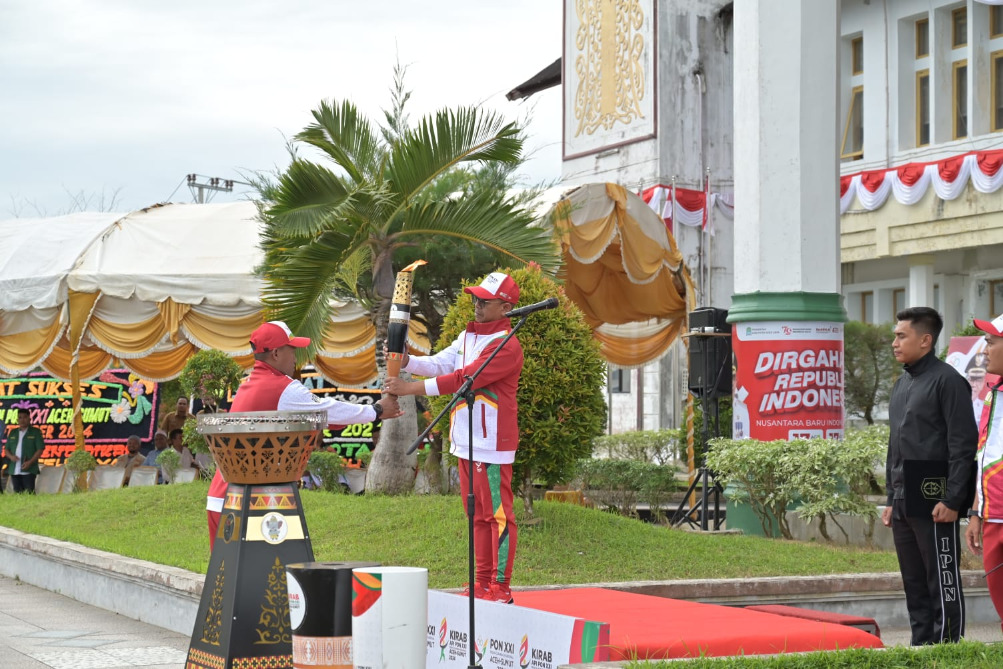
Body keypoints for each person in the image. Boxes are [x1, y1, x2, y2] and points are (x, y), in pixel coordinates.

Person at [385, 271, 524, 604]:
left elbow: (465, 378)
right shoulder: (467, 336)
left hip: (492, 443)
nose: (476, 305)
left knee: (498, 516)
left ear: (505, 307)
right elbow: (441, 363)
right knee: (475, 515)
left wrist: (409, 387)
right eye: (475, 298)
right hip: (465, 439)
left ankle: (501, 587)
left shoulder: (507, 345)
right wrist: (408, 361)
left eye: (484, 301)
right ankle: (480, 583)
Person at [205, 321, 402, 548]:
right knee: (268, 576)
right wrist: (376, 411)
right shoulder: (283, 387)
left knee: (227, 580)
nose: (296, 357)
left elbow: (321, 418)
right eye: (292, 350)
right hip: (249, 501)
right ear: (276, 353)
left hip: (223, 496)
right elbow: (329, 410)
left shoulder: (248, 385)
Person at [883, 306, 977, 644]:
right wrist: (892, 499)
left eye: (901, 335)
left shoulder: (949, 382)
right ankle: (921, 645)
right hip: (905, 498)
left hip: (936, 497)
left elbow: (963, 446)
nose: (894, 342)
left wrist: (953, 499)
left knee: (942, 576)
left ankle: (949, 645)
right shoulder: (902, 383)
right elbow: (896, 445)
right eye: (895, 335)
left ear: (925, 340)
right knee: (914, 579)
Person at [966, 313, 1003, 633]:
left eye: (991, 342)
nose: (984, 350)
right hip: (992, 518)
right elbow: (984, 456)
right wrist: (976, 512)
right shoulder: (991, 395)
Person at [3, 408, 45, 494]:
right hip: (14, 469)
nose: (22, 420)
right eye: (20, 417)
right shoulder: (13, 432)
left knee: (29, 493)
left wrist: (30, 462)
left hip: (29, 469)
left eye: (25, 417)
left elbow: (40, 449)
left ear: (29, 419)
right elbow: (6, 449)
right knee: (17, 494)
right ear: (17, 420)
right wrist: (11, 457)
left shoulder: (35, 432)